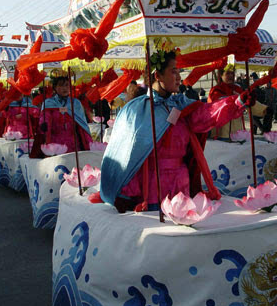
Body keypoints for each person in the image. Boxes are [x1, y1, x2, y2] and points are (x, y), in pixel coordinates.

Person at [98, 50, 256, 211]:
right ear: (158, 75)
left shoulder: (182, 104)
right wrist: (126, 191)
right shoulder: (137, 109)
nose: (179, 77)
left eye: (179, 71)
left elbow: (206, 115)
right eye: (174, 72)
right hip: (153, 185)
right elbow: (127, 155)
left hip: (181, 182)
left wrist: (236, 103)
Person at [37, 76, 93, 154]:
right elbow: (44, 118)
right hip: (55, 144)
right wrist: (43, 124)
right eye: (61, 85)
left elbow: (82, 123)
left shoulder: (75, 103)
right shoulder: (49, 103)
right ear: (55, 88)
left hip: (74, 144)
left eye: (67, 85)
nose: (65, 88)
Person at [208, 64, 266, 139]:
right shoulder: (216, 90)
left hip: (237, 131)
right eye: (227, 73)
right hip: (221, 132)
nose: (231, 76)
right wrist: (239, 100)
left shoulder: (237, 89)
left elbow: (249, 102)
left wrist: (264, 110)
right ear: (221, 75)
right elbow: (220, 105)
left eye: (232, 73)